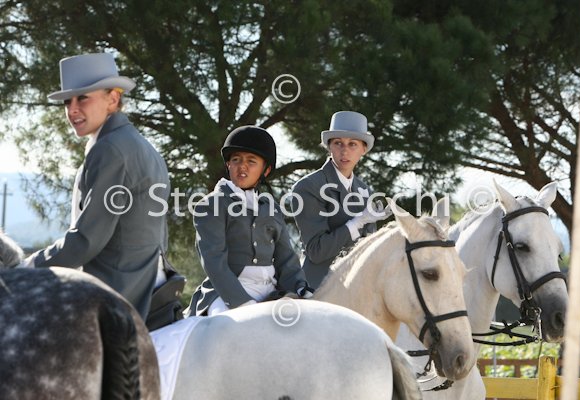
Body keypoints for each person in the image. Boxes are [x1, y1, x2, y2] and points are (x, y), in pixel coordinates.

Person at [19, 53, 170, 321]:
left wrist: (27, 267)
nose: (72, 110)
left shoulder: (110, 148)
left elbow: (86, 240)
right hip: (149, 278)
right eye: (67, 101)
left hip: (119, 289)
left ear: (113, 99)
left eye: (83, 98)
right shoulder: (138, 144)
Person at [186, 126, 312, 316]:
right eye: (236, 160)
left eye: (251, 161)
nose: (242, 166)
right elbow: (214, 261)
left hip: (271, 290)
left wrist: (300, 287)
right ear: (228, 165)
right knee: (226, 324)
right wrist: (242, 303)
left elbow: (286, 259)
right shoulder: (212, 204)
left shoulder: (271, 208)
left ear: (266, 170)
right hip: (228, 293)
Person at [291, 111, 390, 288]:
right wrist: (357, 222)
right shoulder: (308, 187)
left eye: (352, 144)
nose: (345, 151)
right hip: (318, 287)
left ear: (363, 150)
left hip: (356, 286)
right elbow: (316, 251)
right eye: (338, 143)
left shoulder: (365, 190)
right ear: (329, 146)